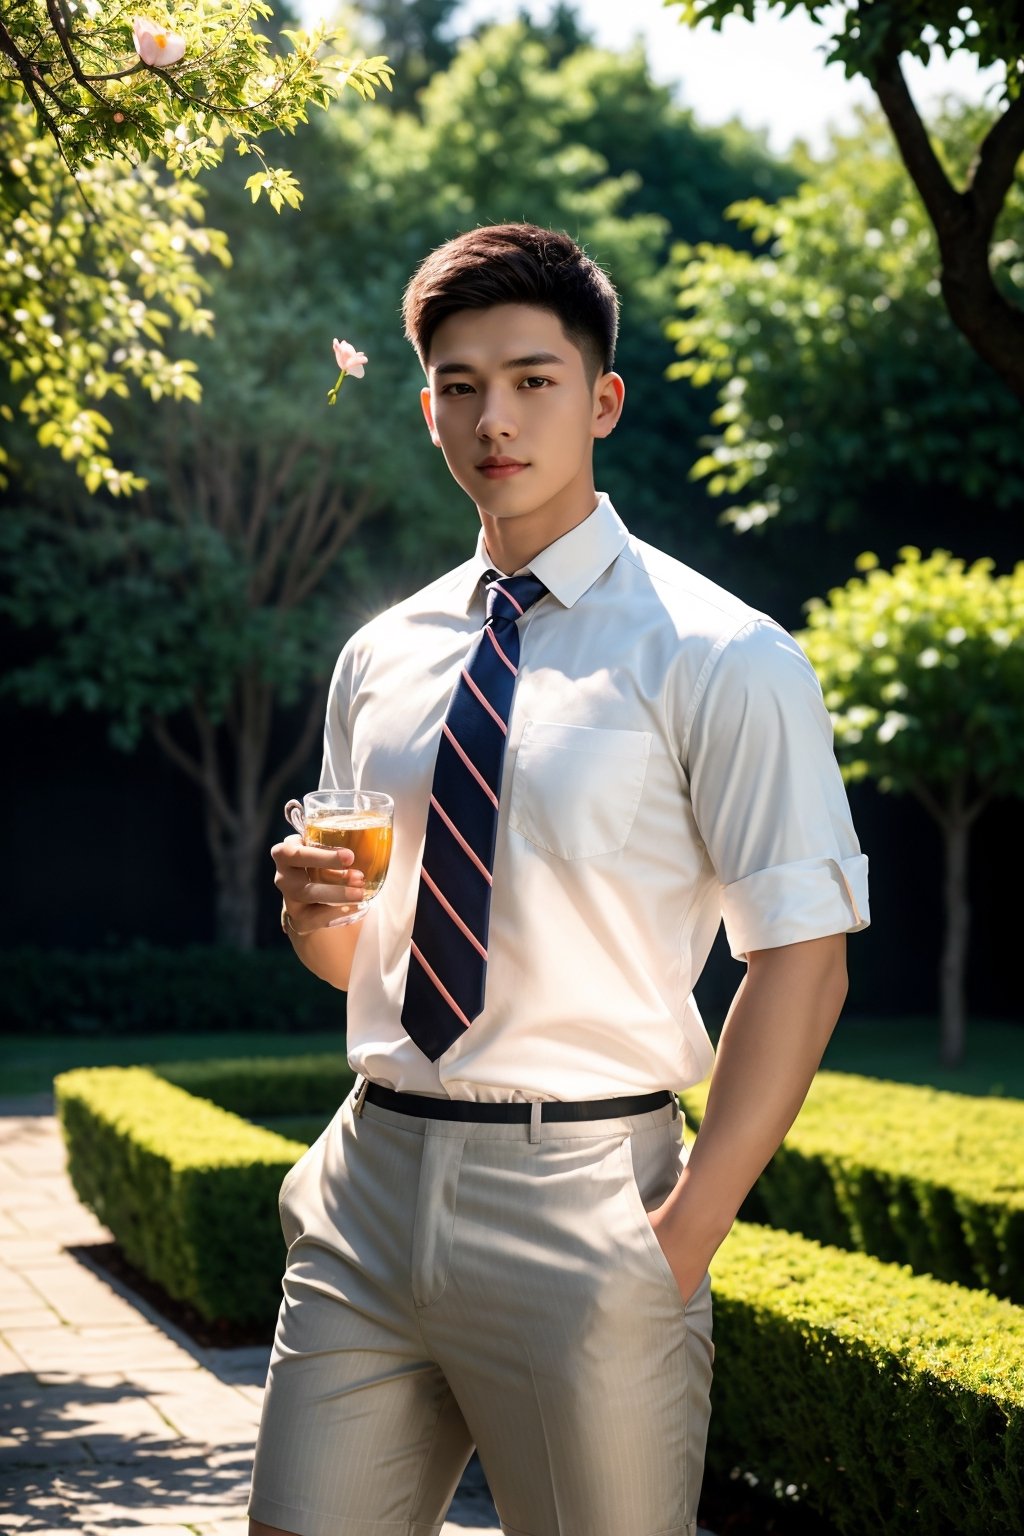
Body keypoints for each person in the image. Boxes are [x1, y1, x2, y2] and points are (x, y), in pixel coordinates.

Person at [249, 222, 869, 1536]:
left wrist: (681, 1239)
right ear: (426, 409)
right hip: (368, 1187)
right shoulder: (382, 655)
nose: (496, 418)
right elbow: (367, 957)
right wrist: (321, 920)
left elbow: (803, 958)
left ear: (602, 399)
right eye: (461, 386)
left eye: (533, 380)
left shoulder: (723, 655)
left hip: (588, 1201)